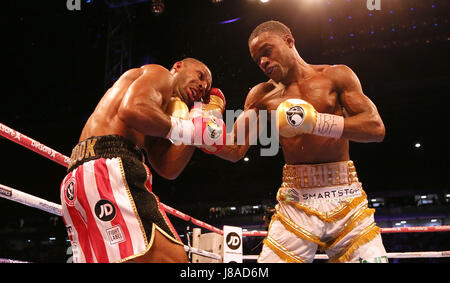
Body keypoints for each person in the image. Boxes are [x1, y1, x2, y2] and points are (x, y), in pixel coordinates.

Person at [216, 20, 388, 263]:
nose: (263, 62)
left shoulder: (336, 75)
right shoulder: (261, 95)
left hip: (345, 192)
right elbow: (234, 148)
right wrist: (199, 133)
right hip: (296, 199)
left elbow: (375, 128)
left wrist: (316, 122)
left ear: (289, 41)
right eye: (257, 60)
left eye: (267, 51)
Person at [60, 58, 226, 263]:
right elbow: (132, 109)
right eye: (200, 76)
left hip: (82, 176)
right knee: (172, 258)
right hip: (109, 170)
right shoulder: (160, 74)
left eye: (207, 87)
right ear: (178, 66)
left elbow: (168, 168)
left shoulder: (158, 115)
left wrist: (198, 119)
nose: (203, 86)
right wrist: (190, 129)